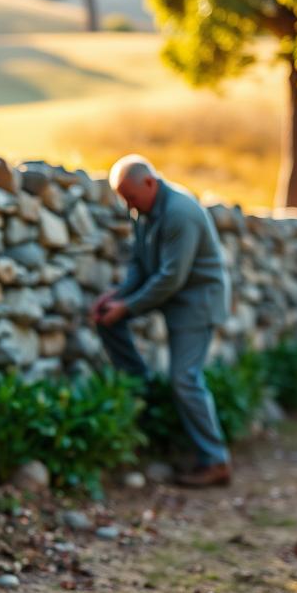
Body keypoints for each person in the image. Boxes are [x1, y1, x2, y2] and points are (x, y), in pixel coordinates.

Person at [91, 155, 232, 487]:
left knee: (185, 379)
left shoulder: (180, 213)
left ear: (150, 183)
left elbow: (171, 277)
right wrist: (117, 296)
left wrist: (126, 307)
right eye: (124, 199)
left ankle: (215, 461)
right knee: (107, 321)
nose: (128, 205)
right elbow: (140, 263)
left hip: (196, 304)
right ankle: (143, 388)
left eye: (131, 197)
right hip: (173, 297)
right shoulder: (143, 210)